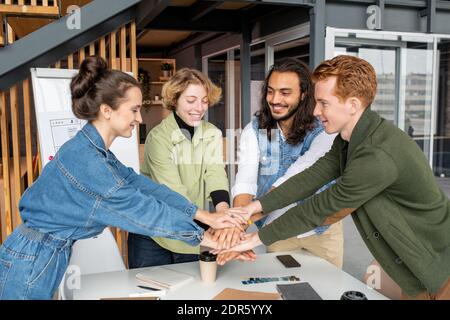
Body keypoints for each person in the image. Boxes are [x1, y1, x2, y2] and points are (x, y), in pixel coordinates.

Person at [0, 57, 244, 300]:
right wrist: (205, 235)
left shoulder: (95, 151)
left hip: (41, 253)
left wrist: (204, 215)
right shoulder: (89, 162)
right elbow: (142, 209)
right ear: (107, 110)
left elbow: (142, 186)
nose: (139, 119)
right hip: (33, 256)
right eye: (134, 110)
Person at [223, 55, 450, 300]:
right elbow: (313, 175)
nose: (316, 111)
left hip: (438, 264)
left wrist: (253, 238)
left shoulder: (376, 154)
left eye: (323, 103)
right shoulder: (350, 139)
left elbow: (322, 206)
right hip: (412, 265)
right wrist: (254, 207)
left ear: (352, 104)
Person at [215, 58, 344, 268]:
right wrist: (235, 225)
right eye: (271, 91)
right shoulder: (255, 129)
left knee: (328, 289)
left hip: (321, 230)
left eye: (285, 93)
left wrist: (241, 223)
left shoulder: (324, 130)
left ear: (303, 95)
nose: (275, 99)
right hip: (277, 230)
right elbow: (245, 181)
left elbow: (293, 181)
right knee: (281, 286)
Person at [127, 68, 232, 268]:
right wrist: (209, 220)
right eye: (191, 101)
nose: (199, 108)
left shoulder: (211, 133)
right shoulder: (159, 138)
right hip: (153, 234)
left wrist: (223, 212)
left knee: (189, 293)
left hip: (190, 232)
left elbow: (215, 173)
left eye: (204, 100)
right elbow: (172, 191)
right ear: (175, 100)